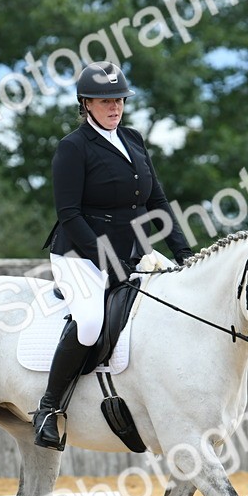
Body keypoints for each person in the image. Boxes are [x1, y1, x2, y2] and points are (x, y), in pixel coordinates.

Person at [34, 61, 195, 451]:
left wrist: (185, 252)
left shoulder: (134, 139)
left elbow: (156, 201)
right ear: (86, 103)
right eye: (106, 101)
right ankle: (48, 409)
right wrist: (110, 264)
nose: (115, 107)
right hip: (80, 255)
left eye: (119, 100)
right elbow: (69, 215)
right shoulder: (73, 148)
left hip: (134, 252)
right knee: (90, 322)